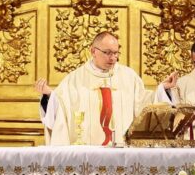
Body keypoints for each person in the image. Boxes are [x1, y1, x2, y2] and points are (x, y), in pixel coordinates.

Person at [35, 31, 177, 146]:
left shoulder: (128, 76)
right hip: (88, 155)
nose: (113, 58)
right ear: (93, 51)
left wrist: (162, 89)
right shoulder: (74, 79)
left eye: (116, 53)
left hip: (123, 153)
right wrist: (49, 96)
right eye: (108, 53)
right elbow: (60, 109)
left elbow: (144, 104)